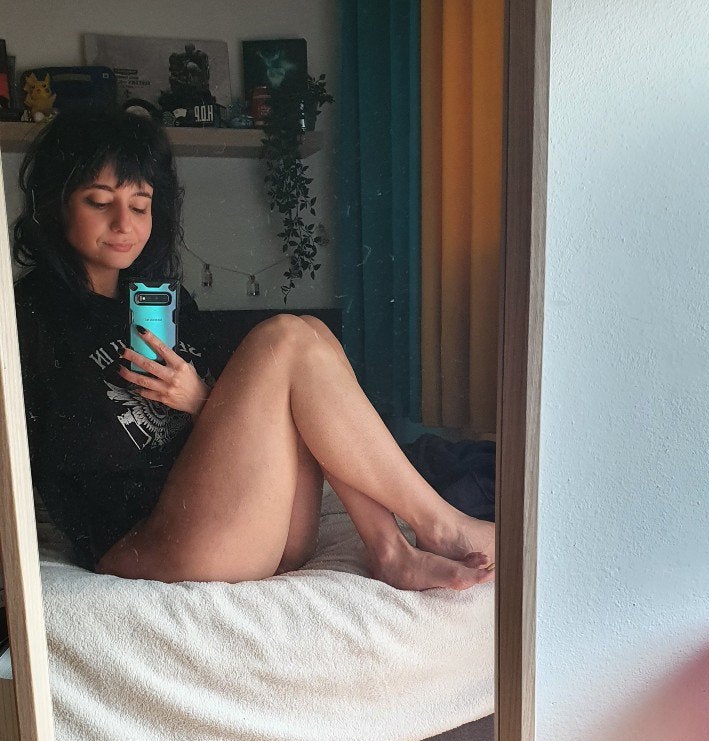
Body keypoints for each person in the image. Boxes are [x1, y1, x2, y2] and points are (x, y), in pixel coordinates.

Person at [12, 106, 495, 591]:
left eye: (140, 206)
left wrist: (198, 399)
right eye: (99, 202)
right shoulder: (27, 317)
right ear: (56, 205)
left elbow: (245, 420)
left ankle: (390, 549)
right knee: (285, 337)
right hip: (153, 544)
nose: (124, 223)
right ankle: (440, 525)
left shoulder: (165, 301)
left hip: (252, 527)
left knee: (309, 333)